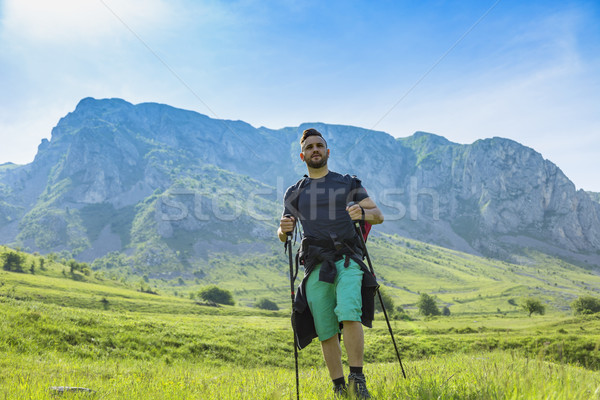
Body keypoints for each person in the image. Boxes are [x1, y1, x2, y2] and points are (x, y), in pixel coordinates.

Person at [278, 128, 384, 398]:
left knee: (349, 311)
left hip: (348, 258)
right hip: (315, 264)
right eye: (310, 147)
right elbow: (282, 235)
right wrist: (283, 229)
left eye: (320, 145)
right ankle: (338, 387)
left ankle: (357, 380)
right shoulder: (295, 192)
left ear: (328, 151)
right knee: (325, 327)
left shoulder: (348, 183)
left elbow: (378, 215)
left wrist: (362, 211)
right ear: (303, 156)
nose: (315, 149)